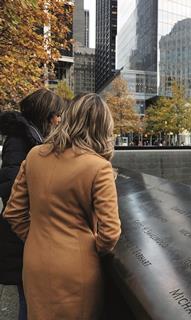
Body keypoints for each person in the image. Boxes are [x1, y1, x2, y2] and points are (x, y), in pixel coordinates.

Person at [2, 93, 121, 319]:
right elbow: (110, 233)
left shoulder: (35, 155)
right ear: (103, 127)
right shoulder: (99, 167)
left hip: (34, 262)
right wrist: (87, 248)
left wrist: (36, 238)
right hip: (76, 268)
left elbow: (13, 213)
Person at [0, 88, 65, 320]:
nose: (59, 120)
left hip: (25, 237)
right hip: (21, 240)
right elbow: (11, 190)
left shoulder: (28, 136)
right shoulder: (21, 140)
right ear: (46, 115)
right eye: (57, 114)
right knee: (30, 304)